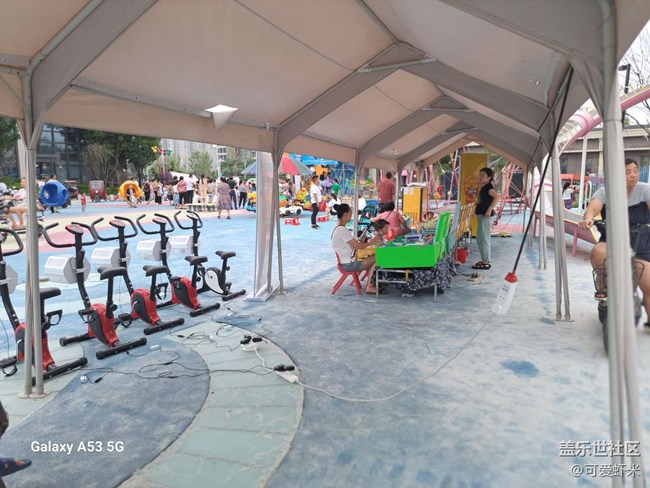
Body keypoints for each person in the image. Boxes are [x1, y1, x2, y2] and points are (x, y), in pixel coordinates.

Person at [579, 158, 650, 323]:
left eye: (635, 171)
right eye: (628, 172)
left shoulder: (645, 190)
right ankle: (604, 288)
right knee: (598, 252)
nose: (633, 175)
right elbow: (593, 208)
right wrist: (588, 218)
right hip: (611, 243)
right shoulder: (604, 192)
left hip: (641, 244)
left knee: (648, 286)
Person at [331, 203, 382, 294]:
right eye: (350, 213)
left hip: (347, 261)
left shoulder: (337, 228)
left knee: (374, 256)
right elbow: (358, 247)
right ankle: (369, 286)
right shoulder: (342, 230)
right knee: (378, 257)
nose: (351, 215)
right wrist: (372, 241)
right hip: (349, 264)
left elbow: (354, 245)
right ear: (345, 215)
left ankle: (371, 283)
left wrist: (361, 241)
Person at [472, 167, 499, 270]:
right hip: (481, 215)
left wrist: (489, 209)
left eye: (483, 175)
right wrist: (475, 207)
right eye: (480, 175)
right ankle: (484, 260)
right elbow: (480, 200)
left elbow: (497, 197)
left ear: (489, 177)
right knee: (480, 238)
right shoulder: (482, 187)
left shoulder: (489, 187)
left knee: (484, 239)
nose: (480, 177)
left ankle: (486, 262)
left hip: (486, 216)